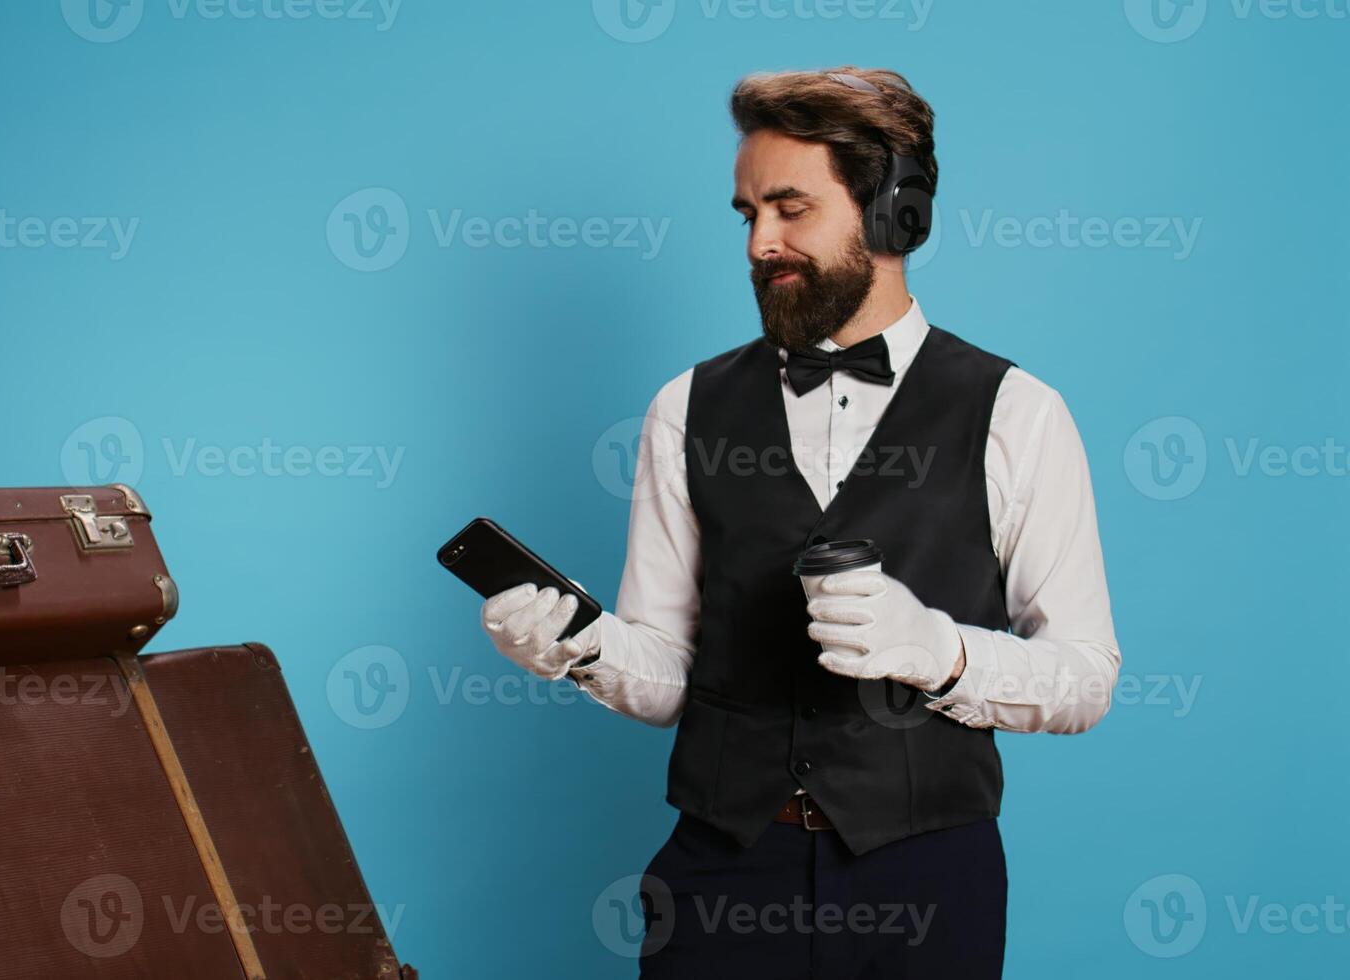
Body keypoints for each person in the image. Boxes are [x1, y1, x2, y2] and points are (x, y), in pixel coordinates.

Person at [477, 66, 1121, 979]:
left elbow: (1086, 679)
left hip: (926, 878)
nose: (759, 244)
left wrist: (939, 649)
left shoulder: (1019, 413)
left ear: (897, 214)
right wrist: (576, 644)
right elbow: (669, 678)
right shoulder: (684, 407)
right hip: (720, 873)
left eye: (791, 209)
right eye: (747, 215)